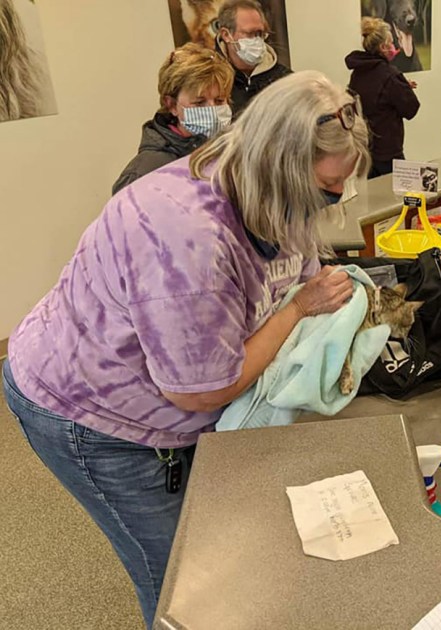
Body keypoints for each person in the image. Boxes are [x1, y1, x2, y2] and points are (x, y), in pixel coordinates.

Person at [2, 71, 369, 628]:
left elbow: (297, 265)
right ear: (277, 169)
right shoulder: (187, 240)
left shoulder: (259, 184)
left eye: (342, 188)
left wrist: (311, 291)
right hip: (92, 414)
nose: (330, 202)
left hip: (164, 389)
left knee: (222, 542)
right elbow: (203, 390)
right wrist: (297, 309)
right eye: (322, 193)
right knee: (179, 578)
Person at [112, 43, 234, 194]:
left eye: (220, 100)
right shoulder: (143, 174)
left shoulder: (228, 154)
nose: (213, 110)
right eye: (199, 102)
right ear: (171, 105)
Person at [346, 17, 420, 178]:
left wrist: (401, 85)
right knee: (400, 198)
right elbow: (411, 109)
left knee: (376, 199)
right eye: (391, 43)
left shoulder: (357, 73)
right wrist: (401, 86)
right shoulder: (390, 76)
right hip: (389, 154)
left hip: (366, 151)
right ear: (383, 47)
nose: (394, 47)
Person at [215, 0, 291, 116]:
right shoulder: (212, 79)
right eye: (250, 34)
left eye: (260, 33)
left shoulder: (285, 80)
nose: (257, 40)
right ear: (226, 35)